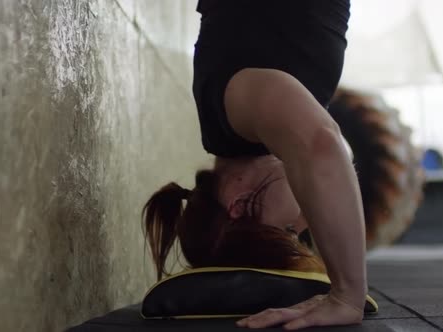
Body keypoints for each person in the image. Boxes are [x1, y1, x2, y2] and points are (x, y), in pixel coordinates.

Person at [142, 0, 367, 329]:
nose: (304, 224)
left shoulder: (236, 117)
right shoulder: (238, 125)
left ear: (240, 205)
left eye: (288, 230)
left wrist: (347, 295)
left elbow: (322, 145)